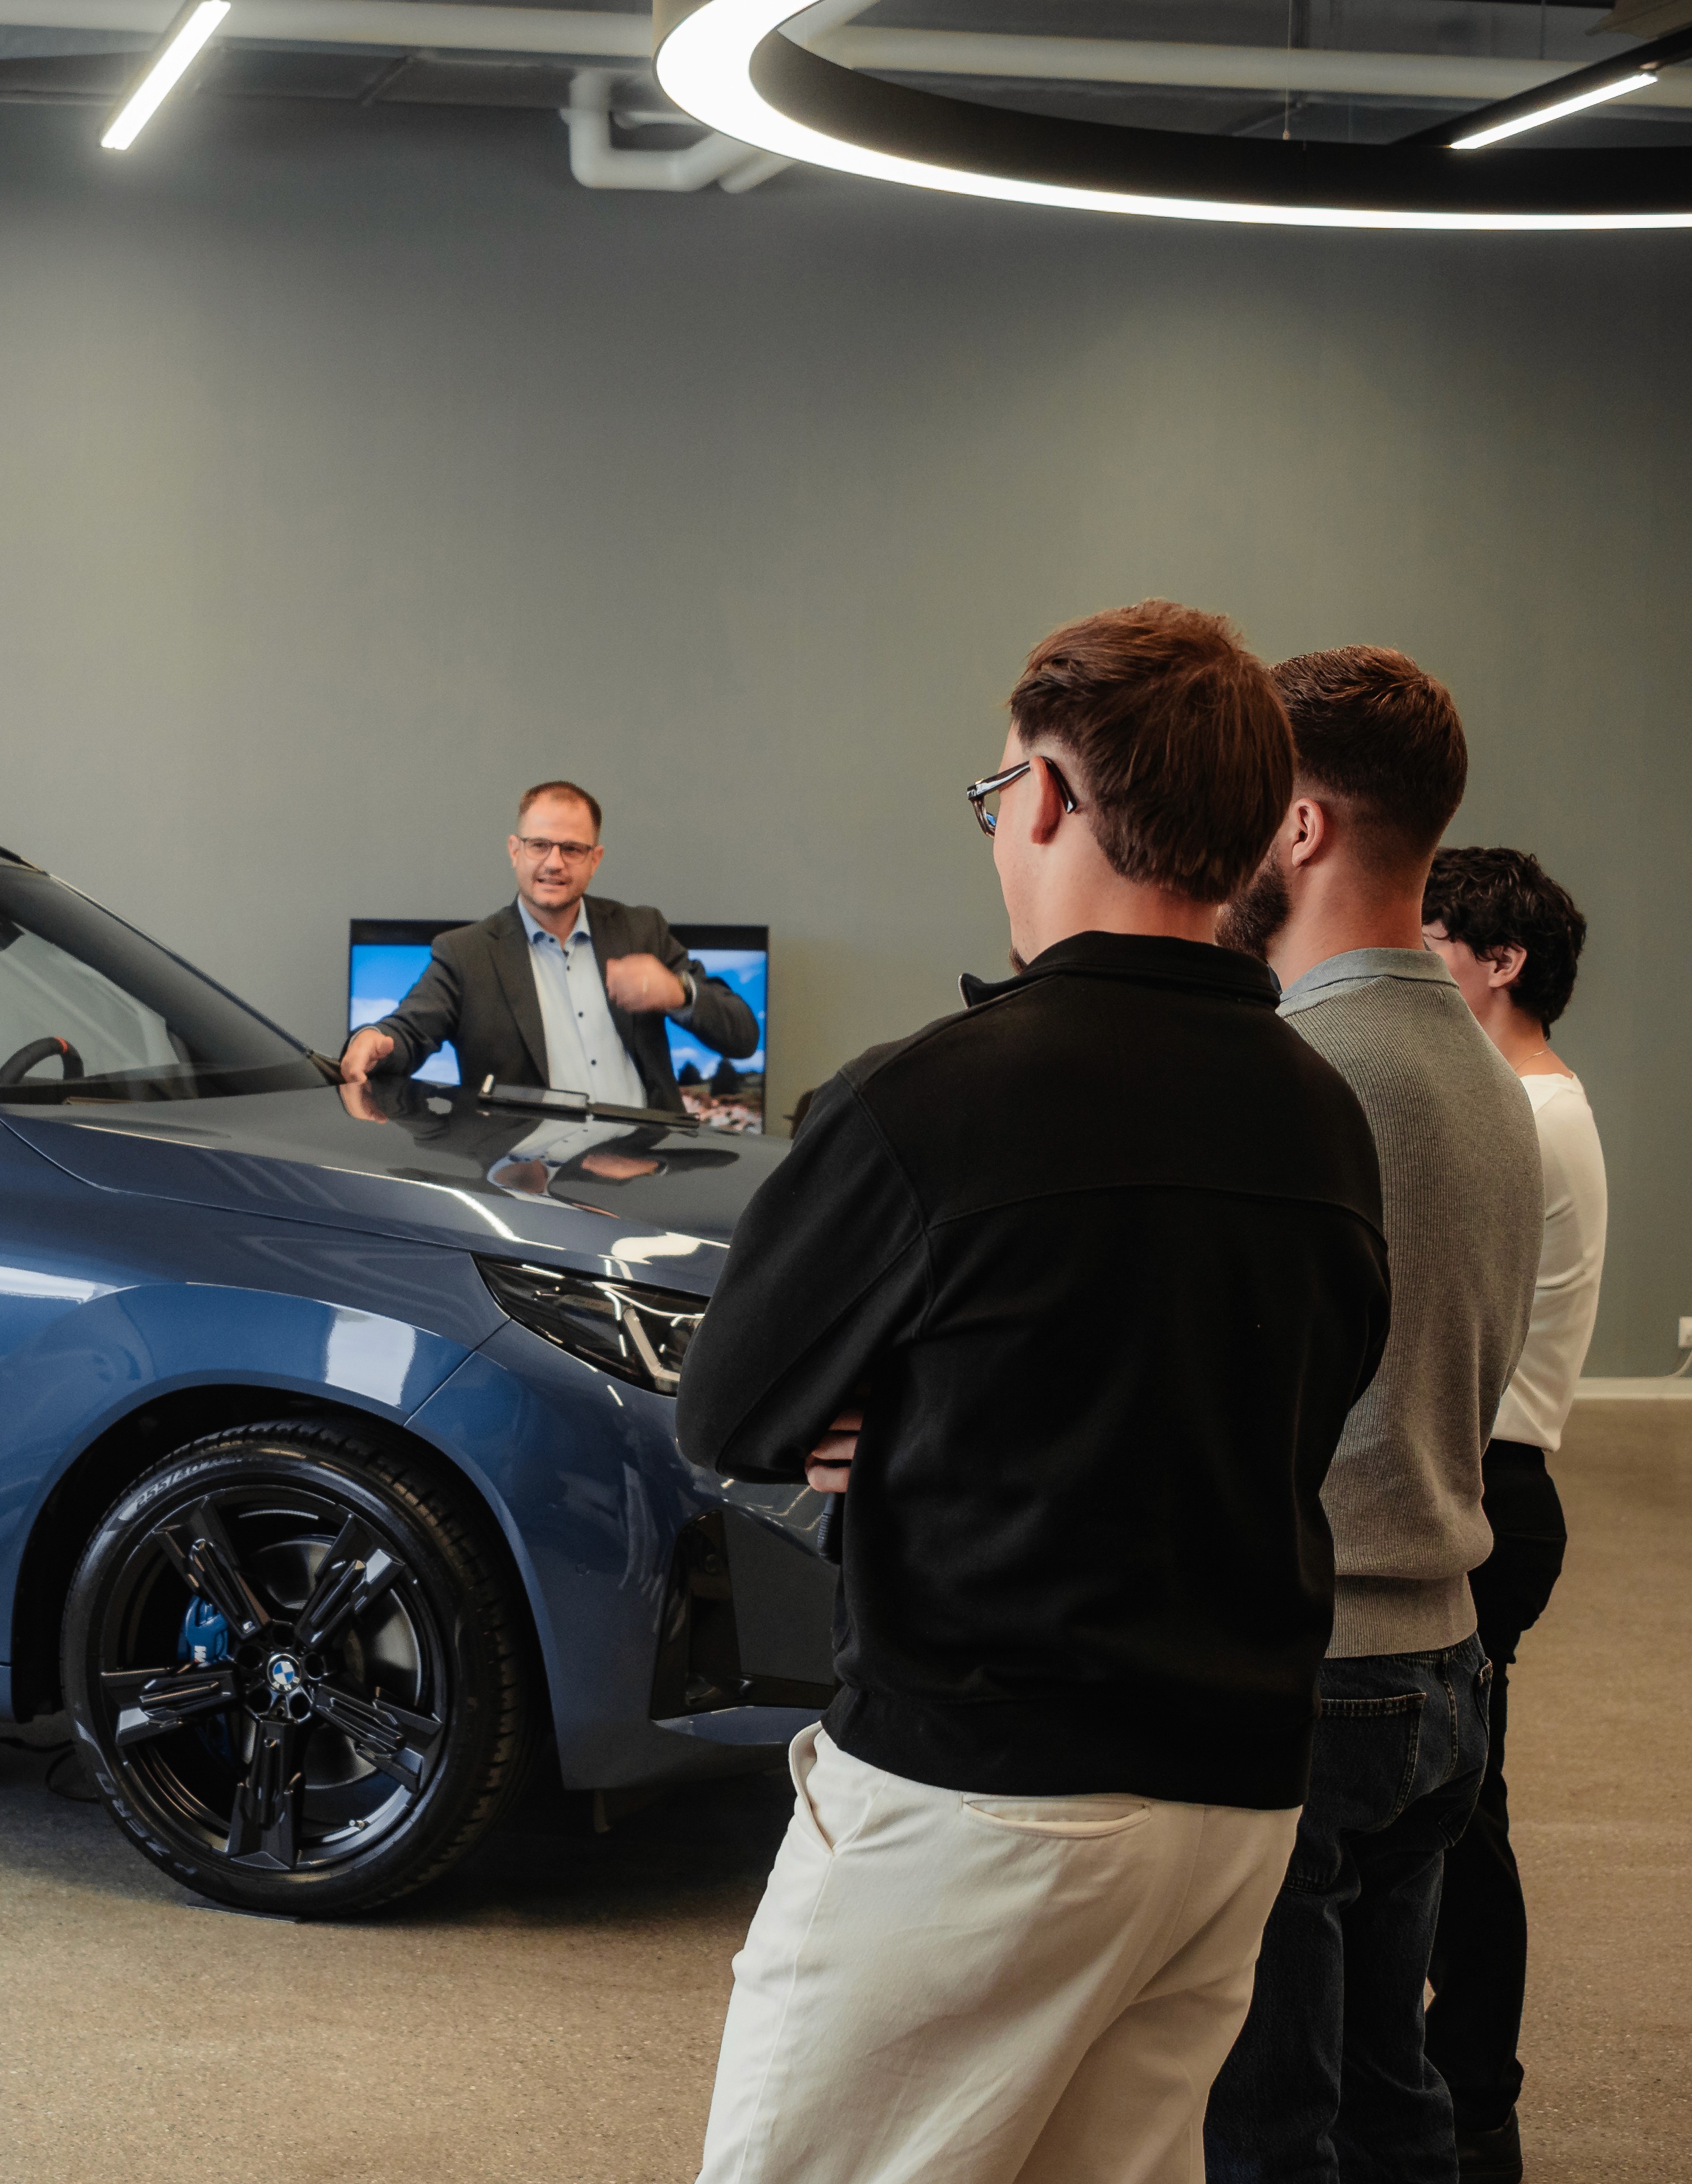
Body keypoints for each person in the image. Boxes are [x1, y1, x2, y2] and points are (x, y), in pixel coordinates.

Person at [675, 600, 1392, 2184]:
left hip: (981, 1795)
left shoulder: (926, 1102)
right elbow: (1293, 1394)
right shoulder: (1321, 1119)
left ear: (1053, 802)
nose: (1001, 832)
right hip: (1236, 1804)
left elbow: (726, 1413)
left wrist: (914, 1418)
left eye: (1002, 797)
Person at [1204, 650, 1544, 2184]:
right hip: (1441, 1661)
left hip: (1324, 1662)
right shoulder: (1490, 1071)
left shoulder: (1303, 1072)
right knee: (1388, 2093)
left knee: (1274, 2120)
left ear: (1302, 826)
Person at [1419, 847, 1605, 2184]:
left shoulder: (1521, 1115)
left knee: (1456, 1818)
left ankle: (1476, 2099)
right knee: (1451, 1805)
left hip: (1489, 1486)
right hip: (1485, 1482)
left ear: (1501, 962)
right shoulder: (1519, 1102)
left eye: (1431, 939)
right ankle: (1462, 2089)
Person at [336, 782, 755, 1110]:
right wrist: (378, 1038)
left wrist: (678, 992)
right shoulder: (465, 954)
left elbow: (743, 1035)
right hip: (529, 1185)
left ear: (595, 860)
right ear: (515, 851)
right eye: (539, 845)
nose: (554, 863)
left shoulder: (642, 931)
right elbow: (408, 1031)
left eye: (572, 849)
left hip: (643, 1171)